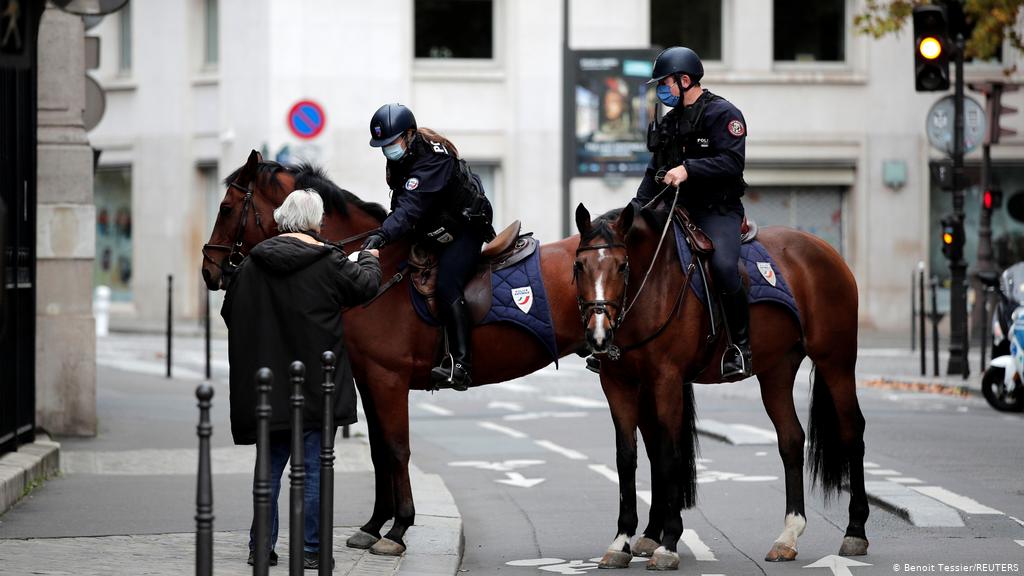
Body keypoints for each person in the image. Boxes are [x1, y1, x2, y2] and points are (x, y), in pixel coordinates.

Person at [221, 189, 382, 569]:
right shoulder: (329, 261)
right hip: (315, 387)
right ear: (315, 222)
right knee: (311, 469)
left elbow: (231, 314)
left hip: (268, 387)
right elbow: (367, 287)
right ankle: (311, 550)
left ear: (281, 220)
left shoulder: (251, 265)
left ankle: (261, 547)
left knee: (270, 468)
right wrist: (371, 260)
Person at [634, 46, 751, 378]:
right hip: (677, 209)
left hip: (718, 211)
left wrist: (688, 169)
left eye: (665, 83)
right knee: (632, 248)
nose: (662, 90)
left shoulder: (724, 114)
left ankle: (741, 347)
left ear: (684, 81)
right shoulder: (669, 123)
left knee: (726, 267)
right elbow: (652, 173)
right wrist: (632, 212)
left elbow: (732, 162)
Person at [363, 103, 495, 391]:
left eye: (391, 143)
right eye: (382, 145)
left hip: (465, 229)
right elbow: (400, 204)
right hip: (433, 226)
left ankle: (461, 364)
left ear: (409, 135)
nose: (387, 150)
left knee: (448, 283)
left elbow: (410, 209)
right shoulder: (401, 157)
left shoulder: (434, 160)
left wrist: (382, 235)